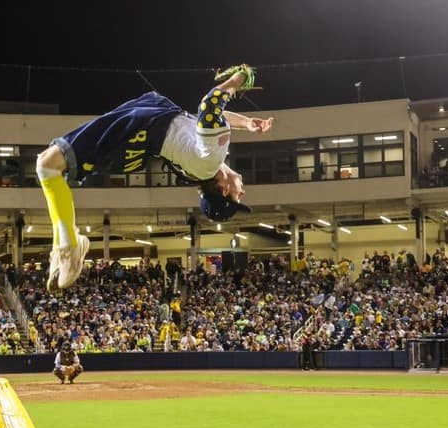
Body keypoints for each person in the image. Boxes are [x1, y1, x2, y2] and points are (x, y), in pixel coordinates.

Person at [34, 64, 274, 291]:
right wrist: (246, 123)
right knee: (47, 165)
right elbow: (205, 119)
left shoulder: (212, 158)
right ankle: (63, 246)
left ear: (223, 190)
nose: (242, 192)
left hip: (144, 126)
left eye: (237, 197)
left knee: (47, 165)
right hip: (151, 123)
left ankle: (67, 247)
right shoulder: (205, 167)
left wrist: (237, 81)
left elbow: (210, 105)